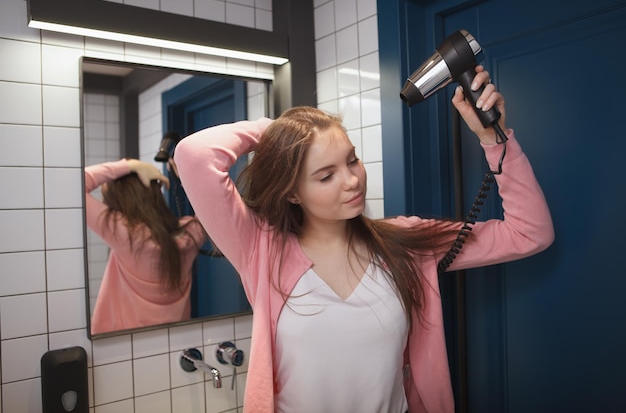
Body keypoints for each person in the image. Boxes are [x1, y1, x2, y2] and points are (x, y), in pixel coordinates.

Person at [174, 66, 554, 413]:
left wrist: (494, 137)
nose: (352, 180)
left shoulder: (406, 242)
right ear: (292, 193)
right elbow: (193, 155)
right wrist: (281, 132)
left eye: (352, 160)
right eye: (326, 175)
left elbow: (529, 233)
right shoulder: (261, 248)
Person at [85, 158, 207, 334]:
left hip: (119, 344)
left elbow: (75, 184)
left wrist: (130, 165)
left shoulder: (125, 234)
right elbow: (215, 206)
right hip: (173, 341)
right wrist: (189, 178)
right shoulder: (192, 233)